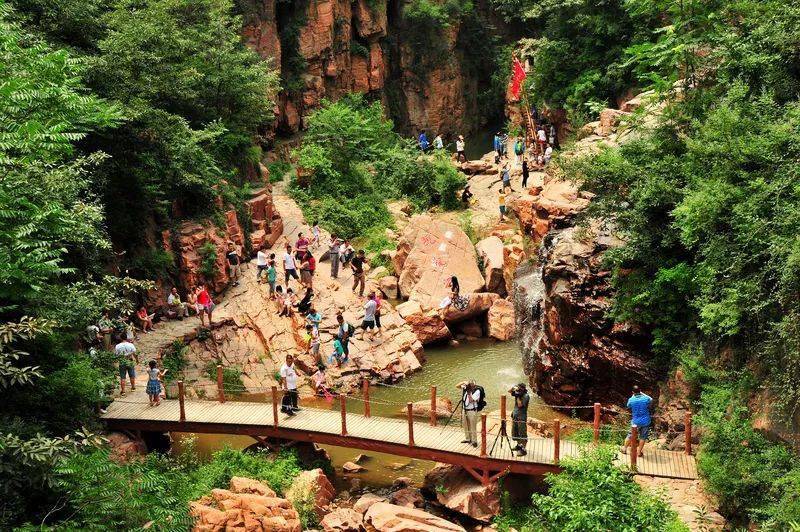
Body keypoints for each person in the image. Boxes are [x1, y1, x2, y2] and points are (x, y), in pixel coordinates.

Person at [622, 385, 653, 457]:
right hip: (645, 421)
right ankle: (639, 452)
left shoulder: (631, 399)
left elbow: (628, 406)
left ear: (632, 392)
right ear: (640, 391)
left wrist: (633, 396)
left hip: (635, 422)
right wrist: (642, 393)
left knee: (630, 435)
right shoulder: (645, 398)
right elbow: (651, 399)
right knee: (643, 437)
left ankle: (624, 449)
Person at [457, 380, 483, 447]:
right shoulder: (466, 388)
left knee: (472, 426)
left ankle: (474, 441)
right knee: (465, 425)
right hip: (464, 410)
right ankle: (468, 439)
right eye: (469, 385)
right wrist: (463, 382)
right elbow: (457, 386)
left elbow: (471, 400)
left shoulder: (477, 391)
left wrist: (469, 392)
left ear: (474, 385)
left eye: (470, 385)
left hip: (472, 411)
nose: (469, 386)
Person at [509, 383, 530, 455]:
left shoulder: (526, 396)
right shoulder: (518, 393)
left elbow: (520, 405)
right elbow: (509, 391)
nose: (518, 390)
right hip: (515, 416)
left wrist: (517, 396)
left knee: (522, 433)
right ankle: (518, 446)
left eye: (520, 389)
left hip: (521, 417)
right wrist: (513, 388)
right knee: (515, 431)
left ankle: (523, 449)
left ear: (523, 389)